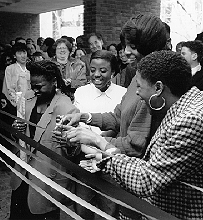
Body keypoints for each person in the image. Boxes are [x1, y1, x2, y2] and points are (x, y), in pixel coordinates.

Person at [67, 51, 203, 220]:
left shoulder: (191, 120)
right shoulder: (182, 107)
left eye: (140, 87)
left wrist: (98, 140)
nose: (136, 93)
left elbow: (148, 179)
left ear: (158, 87)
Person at [57, 13, 169, 220]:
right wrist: (84, 117)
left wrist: (93, 139)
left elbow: (135, 146)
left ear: (152, 48)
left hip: (135, 180)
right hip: (120, 169)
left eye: (133, 47)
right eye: (126, 45)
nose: (126, 52)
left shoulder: (152, 86)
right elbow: (118, 117)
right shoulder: (138, 75)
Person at [9, 60, 79, 220]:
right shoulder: (27, 98)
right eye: (32, 85)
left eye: (39, 86)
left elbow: (74, 150)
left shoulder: (66, 108)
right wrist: (16, 130)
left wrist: (68, 142)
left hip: (47, 180)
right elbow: (20, 137)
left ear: (54, 82)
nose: (34, 90)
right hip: (22, 176)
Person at [73, 50, 126, 218]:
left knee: (109, 210)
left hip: (110, 161)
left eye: (103, 71)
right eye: (93, 69)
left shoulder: (123, 94)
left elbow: (119, 127)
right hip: (85, 159)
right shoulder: (81, 92)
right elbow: (79, 126)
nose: (97, 75)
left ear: (113, 72)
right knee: (82, 208)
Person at [2, 43, 31, 111]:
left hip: (31, 101)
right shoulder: (10, 69)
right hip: (17, 103)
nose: (23, 56)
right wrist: (18, 103)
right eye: (19, 53)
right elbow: (9, 88)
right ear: (14, 56)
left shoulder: (31, 67)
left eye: (24, 53)